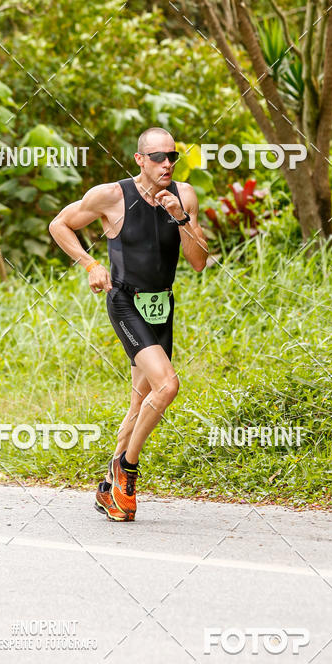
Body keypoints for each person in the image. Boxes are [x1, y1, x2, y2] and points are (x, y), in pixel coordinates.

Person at [49, 127, 208, 521]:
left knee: (141, 401)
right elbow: (60, 225)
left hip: (161, 305)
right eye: (157, 157)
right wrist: (91, 263)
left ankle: (107, 489)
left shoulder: (184, 196)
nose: (167, 163)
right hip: (125, 302)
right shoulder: (113, 196)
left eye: (172, 156)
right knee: (167, 385)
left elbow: (199, 260)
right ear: (140, 160)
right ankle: (127, 471)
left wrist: (180, 217)